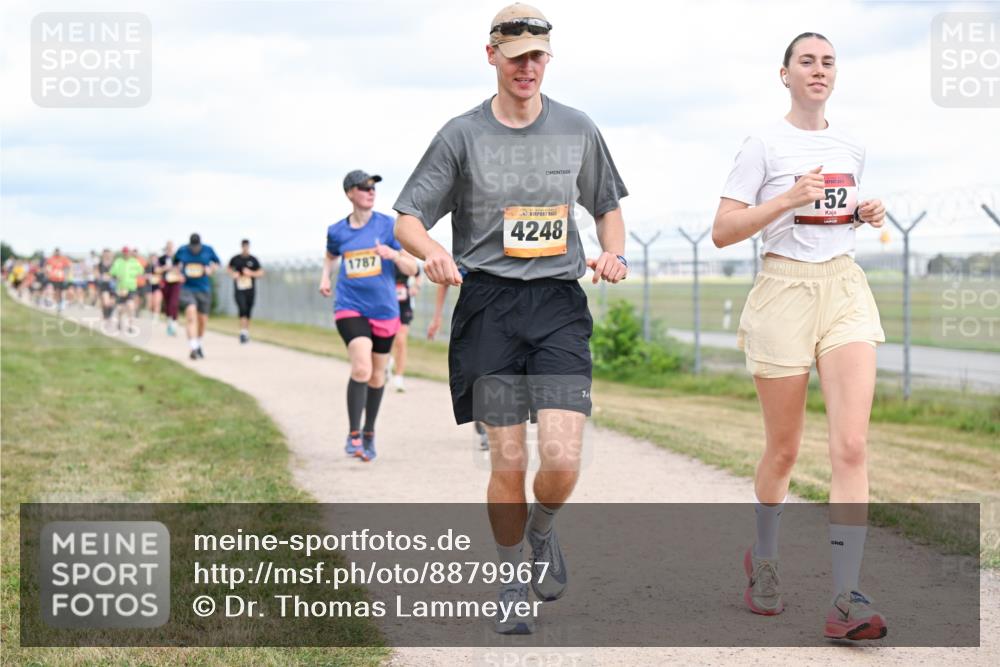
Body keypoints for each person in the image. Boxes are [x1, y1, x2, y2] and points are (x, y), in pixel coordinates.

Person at [393, 3, 628, 635]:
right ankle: (509, 580)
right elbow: (408, 218)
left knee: (562, 459)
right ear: (491, 55)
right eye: (517, 56)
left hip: (556, 306)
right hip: (490, 309)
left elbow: (606, 205)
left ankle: (542, 531)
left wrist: (613, 252)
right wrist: (433, 251)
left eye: (538, 57)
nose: (528, 67)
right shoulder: (461, 135)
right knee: (507, 460)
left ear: (548, 59)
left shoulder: (576, 127)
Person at [712, 32, 888, 641]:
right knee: (784, 451)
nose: (818, 70)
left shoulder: (852, 145)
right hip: (783, 292)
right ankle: (763, 557)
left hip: (843, 289)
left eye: (827, 62)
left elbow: (834, 214)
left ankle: (846, 597)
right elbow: (723, 230)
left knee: (852, 446)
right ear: (784, 74)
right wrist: (788, 198)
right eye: (806, 61)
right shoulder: (763, 144)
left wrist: (862, 212)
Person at [319, 169, 418, 463]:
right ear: (350, 193)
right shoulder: (337, 231)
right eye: (364, 187)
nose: (371, 191)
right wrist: (325, 277)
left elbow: (413, 268)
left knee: (377, 374)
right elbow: (330, 255)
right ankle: (353, 433)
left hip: (385, 310)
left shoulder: (389, 226)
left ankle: (369, 432)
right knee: (361, 368)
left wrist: (394, 255)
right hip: (350, 306)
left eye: (373, 187)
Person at [427, 282, 490, 451]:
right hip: (472, 318)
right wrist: (437, 317)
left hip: (503, 317)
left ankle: (489, 426)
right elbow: (444, 282)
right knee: (475, 373)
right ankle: (483, 417)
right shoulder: (469, 265)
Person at [174, 233, 221, 360]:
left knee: (202, 320)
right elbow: (175, 264)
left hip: (203, 289)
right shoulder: (182, 250)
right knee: (191, 314)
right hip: (187, 288)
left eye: (196, 247)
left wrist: (211, 269)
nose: (194, 249)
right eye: (192, 247)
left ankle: (198, 342)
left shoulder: (208, 250)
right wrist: (179, 274)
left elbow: (217, 263)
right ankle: (193, 347)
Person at [388, 265, 421, 391]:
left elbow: (418, 273)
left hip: (403, 303)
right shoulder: (382, 256)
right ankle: (387, 362)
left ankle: (399, 377)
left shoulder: (405, 256)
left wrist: (416, 287)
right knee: (387, 338)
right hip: (386, 300)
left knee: (401, 340)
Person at [227, 239, 264, 344]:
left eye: (247, 246)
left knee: (248, 310)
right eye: (244, 246)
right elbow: (229, 269)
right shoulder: (235, 259)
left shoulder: (253, 260)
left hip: (250, 289)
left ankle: (246, 332)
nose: (245, 248)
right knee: (242, 308)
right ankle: (242, 332)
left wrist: (251, 273)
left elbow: (261, 272)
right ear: (241, 247)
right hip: (239, 289)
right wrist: (233, 274)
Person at [108, 246, 144, 334]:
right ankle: (119, 322)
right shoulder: (118, 261)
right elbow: (112, 272)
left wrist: (134, 274)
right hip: (120, 288)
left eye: (127, 252)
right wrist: (116, 276)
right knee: (120, 308)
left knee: (130, 306)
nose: (126, 254)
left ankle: (130, 326)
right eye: (124, 252)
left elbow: (141, 271)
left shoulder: (134, 261)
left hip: (131, 288)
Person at [157, 242, 182, 336]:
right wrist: (165, 268)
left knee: (173, 303)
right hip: (165, 283)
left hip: (175, 283)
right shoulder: (161, 258)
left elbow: (181, 268)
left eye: (171, 247)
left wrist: (174, 269)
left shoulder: (177, 258)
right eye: (168, 247)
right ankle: (169, 323)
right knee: (167, 304)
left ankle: (174, 324)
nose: (170, 249)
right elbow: (157, 270)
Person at [144, 251, 163, 320]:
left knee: (157, 302)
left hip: (157, 286)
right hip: (149, 286)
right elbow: (144, 275)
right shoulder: (147, 266)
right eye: (152, 258)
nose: (154, 260)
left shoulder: (160, 266)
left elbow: (163, 275)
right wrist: (149, 276)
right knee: (150, 303)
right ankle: (150, 315)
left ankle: (156, 317)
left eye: (155, 258)